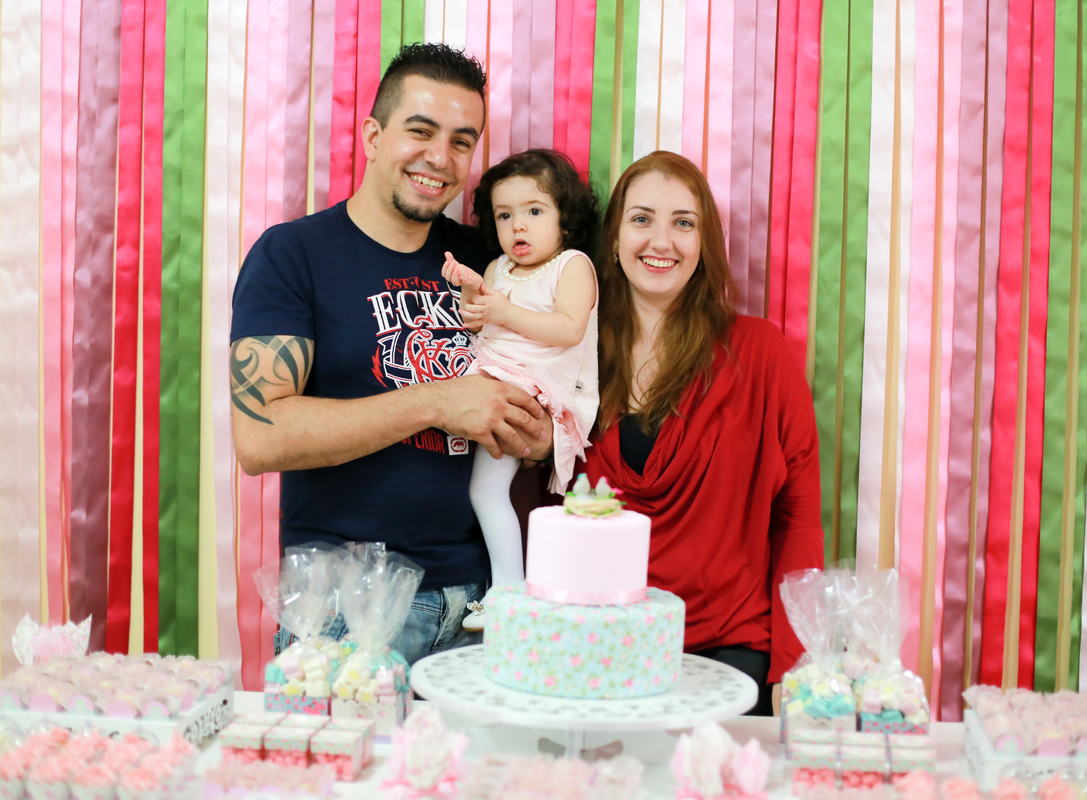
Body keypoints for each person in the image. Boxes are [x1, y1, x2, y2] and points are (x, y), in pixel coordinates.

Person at [228, 43, 552, 666]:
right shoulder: (293, 255)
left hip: (484, 603)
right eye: (420, 131)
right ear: (374, 137)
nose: (440, 158)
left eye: (462, 141)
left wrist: (538, 435)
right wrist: (438, 402)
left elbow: (535, 381)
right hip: (349, 611)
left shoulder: (490, 260)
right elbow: (260, 437)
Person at [582, 151, 824, 716]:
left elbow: (798, 520)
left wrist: (794, 667)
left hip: (731, 652)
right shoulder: (572, 353)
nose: (661, 241)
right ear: (614, 239)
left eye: (683, 223)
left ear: (705, 243)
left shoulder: (759, 353)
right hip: (598, 649)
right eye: (641, 219)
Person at [442, 150, 601, 629]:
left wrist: (504, 312)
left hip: (539, 387)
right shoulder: (499, 268)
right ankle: (507, 588)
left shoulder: (572, 266)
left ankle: (509, 590)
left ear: (565, 219)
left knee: (486, 492)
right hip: (494, 374)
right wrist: (471, 293)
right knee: (478, 486)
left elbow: (569, 329)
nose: (519, 226)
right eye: (505, 215)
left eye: (534, 211)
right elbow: (481, 325)